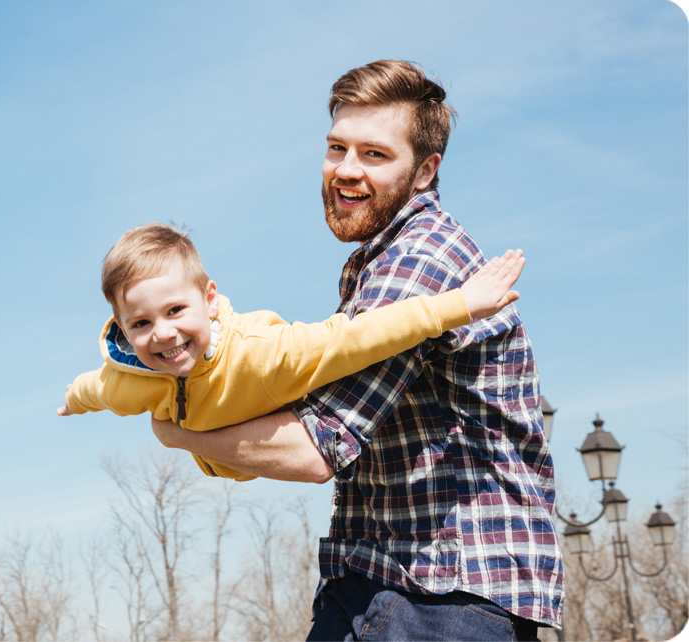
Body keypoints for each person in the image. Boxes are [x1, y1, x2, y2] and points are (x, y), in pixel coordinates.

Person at [149, 60, 564, 640]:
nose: (345, 171)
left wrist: (178, 432)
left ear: (425, 171)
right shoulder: (381, 261)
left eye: (374, 154)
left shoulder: (419, 262)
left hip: (439, 593)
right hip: (385, 581)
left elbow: (316, 448)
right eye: (336, 148)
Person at [58, 222, 525, 482]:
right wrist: (73, 402)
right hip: (229, 457)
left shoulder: (264, 356)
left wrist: (461, 304)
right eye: (141, 324)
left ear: (210, 299)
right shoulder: (133, 377)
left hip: (284, 421)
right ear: (123, 328)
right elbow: (95, 388)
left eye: (176, 310)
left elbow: (358, 337)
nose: (162, 334)